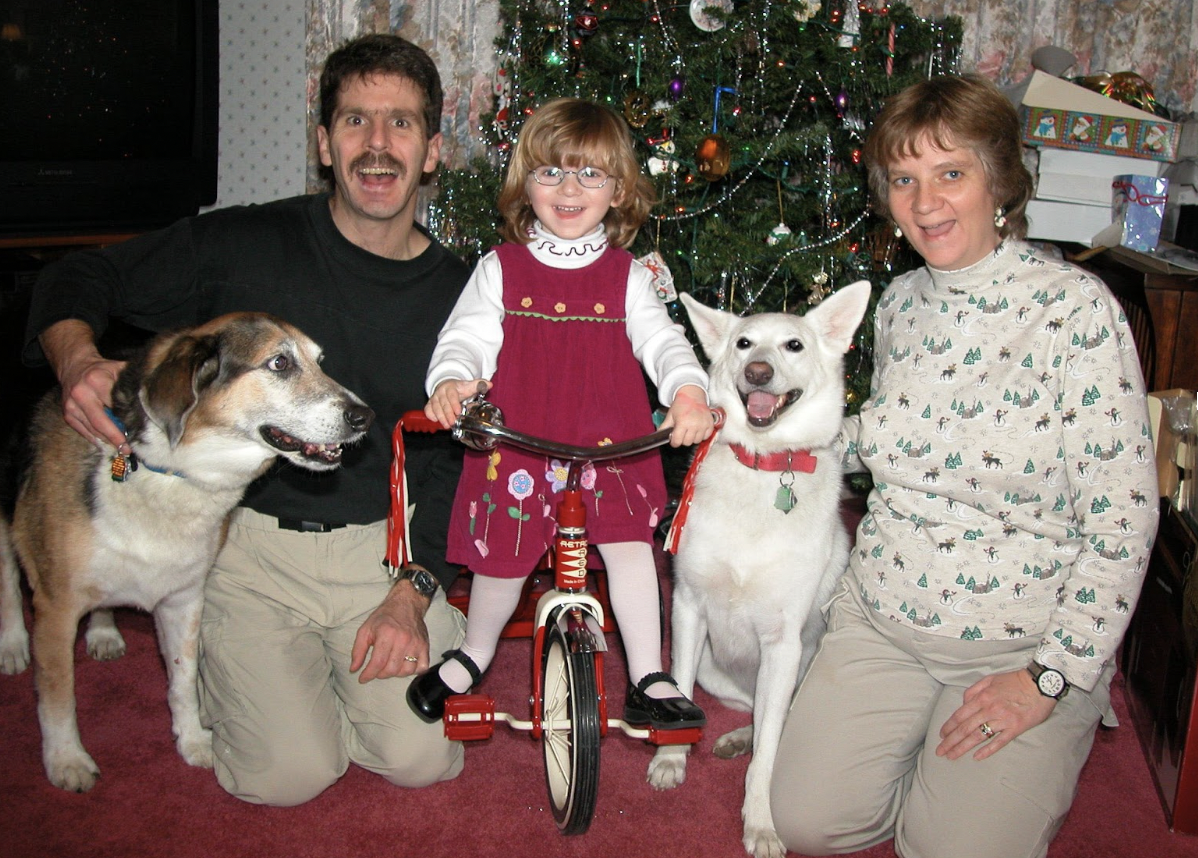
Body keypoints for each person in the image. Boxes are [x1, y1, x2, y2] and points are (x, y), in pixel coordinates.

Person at [23, 34, 473, 806]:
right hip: (247, 551)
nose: (377, 145)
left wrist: (412, 589)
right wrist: (74, 361)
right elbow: (79, 273)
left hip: (379, 554)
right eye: (355, 121)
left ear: (432, 150)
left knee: (421, 760)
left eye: (400, 125)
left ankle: (348, 673)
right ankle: (287, 678)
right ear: (324, 142)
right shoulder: (242, 243)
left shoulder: (465, 296)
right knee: (285, 779)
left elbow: (450, 464)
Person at [768, 75, 1160, 858]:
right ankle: (909, 750)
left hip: (1020, 643)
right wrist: (761, 448)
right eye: (905, 180)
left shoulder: (1074, 311)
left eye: (952, 173)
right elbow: (881, 440)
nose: (925, 201)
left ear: (1000, 183)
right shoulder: (902, 303)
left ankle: (1018, 747)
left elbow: (1124, 516)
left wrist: (1049, 677)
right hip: (885, 618)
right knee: (809, 824)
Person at [406, 97, 715, 729]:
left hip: (612, 445)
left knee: (630, 547)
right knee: (503, 557)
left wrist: (686, 391)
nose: (569, 189)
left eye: (590, 175)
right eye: (551, 173)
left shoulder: (627, 275)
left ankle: (648, 674)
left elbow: (664, 343)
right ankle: (475, 652)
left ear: (618, 190)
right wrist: (453, 381)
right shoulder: (501, 268)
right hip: (518, 442)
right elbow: (463, 338)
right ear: (527, 183)